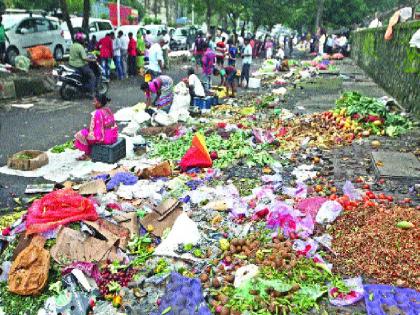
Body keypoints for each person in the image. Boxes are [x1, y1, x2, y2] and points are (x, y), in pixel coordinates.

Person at [74, 94, 118, 160]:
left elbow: (98, 132)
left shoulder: (98, 113)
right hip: (113, 136)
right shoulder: (107, 110)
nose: (93, 103)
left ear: (99, 103)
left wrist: (88, 135)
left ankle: (88, 154)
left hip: (105, 139)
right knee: (86, 132)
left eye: (95, 101)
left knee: (80, 134)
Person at [69, 32, 96, 97]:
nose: (83, 40)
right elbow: (84, 58)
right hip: (80, 65)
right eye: (83, 39)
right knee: (92, 76)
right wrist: (92, 60)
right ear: (80, 39)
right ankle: (91, 93)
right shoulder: (80, 47)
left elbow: (80, 55)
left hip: (72, 64)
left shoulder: (73, 45)